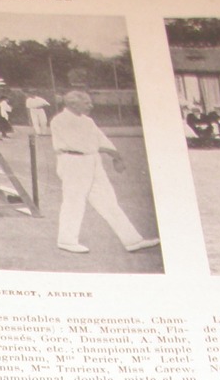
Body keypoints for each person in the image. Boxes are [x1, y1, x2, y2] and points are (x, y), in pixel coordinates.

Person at [49, 90, 160, 256]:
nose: (91, 106)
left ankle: (132, 240)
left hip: (93, 161)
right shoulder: (60, 120)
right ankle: (67, 241)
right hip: (73, 162)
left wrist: (116, 156)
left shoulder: (88, 121)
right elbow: (82, 144)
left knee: (108, 201)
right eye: (87, 103)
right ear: (73, 104)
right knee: (74, 202)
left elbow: (101, 139)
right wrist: (106, 151)